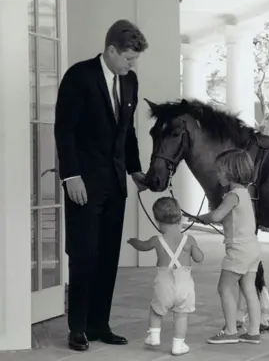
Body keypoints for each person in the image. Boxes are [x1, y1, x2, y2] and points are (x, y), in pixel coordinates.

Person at [54, 20, 149, 352]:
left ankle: (99, 325)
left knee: (108, 254)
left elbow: (128, 131)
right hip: (84, 182)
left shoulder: (130, 81)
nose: (132, 65)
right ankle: (77, 327)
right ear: (111, 50)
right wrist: (71, 176)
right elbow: (64, 131)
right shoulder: (78, 77)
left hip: (115, 183)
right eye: (129, 58)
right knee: (85, 253)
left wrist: (135, 170)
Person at [195, 149, 262, 345]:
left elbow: (216, 216)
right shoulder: (245, 194)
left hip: (239, 250)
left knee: (224, 288)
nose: (217, 174)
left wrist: (203, 218)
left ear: (231, 172)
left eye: (219, 171)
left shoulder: (232, 195)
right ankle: (253, 332)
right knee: (249, 289)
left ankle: (231, 331)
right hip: (252, 248)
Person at [128, 197, 204, 356]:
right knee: (181, 316)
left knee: (156, 310)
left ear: (157, 220)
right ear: (180, 217)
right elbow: (199, 258)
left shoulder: (156, 240)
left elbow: (142, 246)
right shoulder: (188, 239)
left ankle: (154, 336)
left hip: (164, 284)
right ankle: (179, 344)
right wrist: (195, 251)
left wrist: (134, 241)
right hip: (184, 285)